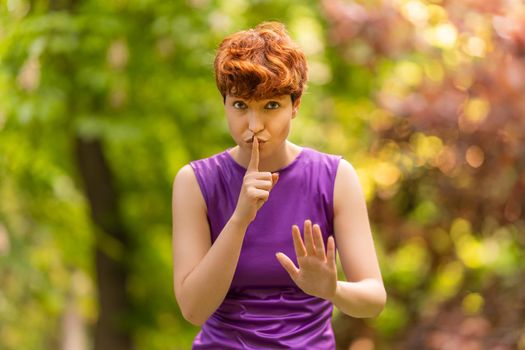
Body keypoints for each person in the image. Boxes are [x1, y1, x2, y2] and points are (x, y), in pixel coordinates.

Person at [172, 21, 386, 349]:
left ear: (295, 105)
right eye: (240, 106)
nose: (255, 126)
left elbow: (373, 298)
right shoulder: (196, 182)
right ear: (224, 104)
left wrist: (332, 290)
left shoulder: (335, 177)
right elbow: (193, 309)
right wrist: (240, 219)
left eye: (271, 106)